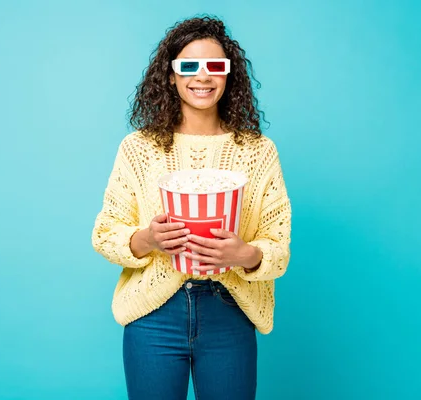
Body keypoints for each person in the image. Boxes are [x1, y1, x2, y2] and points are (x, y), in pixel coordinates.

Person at [91, 15, 292, 400]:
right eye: (188, 66)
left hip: (229, 311)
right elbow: (105, 232)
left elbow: (278, 245)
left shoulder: (258, 152)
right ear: (170, 75)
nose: (203, 77)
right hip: (153, 314)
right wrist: (147, 239)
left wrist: (246, 255)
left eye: (216, 66)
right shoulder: (139, 149)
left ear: (229, 74)